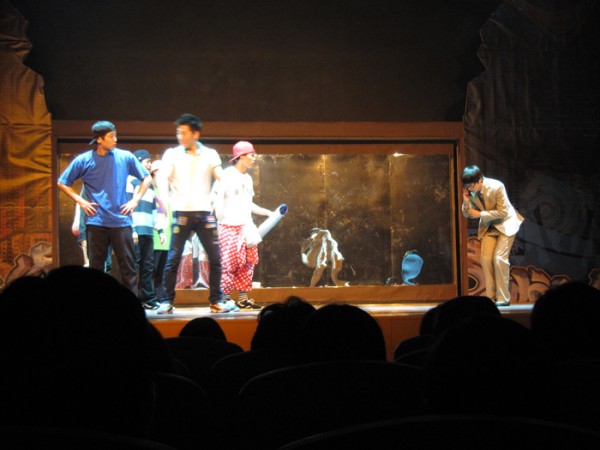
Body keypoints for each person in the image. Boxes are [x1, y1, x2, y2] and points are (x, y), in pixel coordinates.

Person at [58, 121, 152, 294]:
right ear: (99, 139)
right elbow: (63, 182)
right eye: (111, 136)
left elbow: (147, 178)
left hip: (121, 222)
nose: (115, 139)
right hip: (96, 222)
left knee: (129, 269)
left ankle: (130, 305)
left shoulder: (125, 157)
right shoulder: (84, 160)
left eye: (115, 135)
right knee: (96, 270)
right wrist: (81, 201)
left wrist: (135, 200)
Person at [156, 113, 233, 314]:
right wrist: (164, 206)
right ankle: (166, 301)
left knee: (215, 258)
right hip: (181, 212)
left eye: (184, 132)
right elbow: (162, 179)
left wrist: (218, 196)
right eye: (178, 132)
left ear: (195, 134)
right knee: (173, 258)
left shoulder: (209, 154)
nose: (180, 136)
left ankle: (216, 300)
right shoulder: (172, 154)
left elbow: (220, 177)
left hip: (205, 213)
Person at [212, 141, 273, 310]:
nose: (254, 158)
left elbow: (248, 204)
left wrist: (267, 212)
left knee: (248, 263)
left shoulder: (248, 178)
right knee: (229, 264)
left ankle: (242, 299)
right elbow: (215, 199)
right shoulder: (226, 175)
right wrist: (216, 220)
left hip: (246, 226)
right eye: (251, 155)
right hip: (229, 225)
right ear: (241, 156)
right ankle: (223, 298)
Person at [461, 165, 524, 306]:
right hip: (489, 226)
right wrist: (466, 200)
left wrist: (481, 214)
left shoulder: (497, 186)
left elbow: (503, 212)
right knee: (486, 259)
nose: (469, 189)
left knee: (499, 258)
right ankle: (491, 297)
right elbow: (466, 214)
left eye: (471, 185)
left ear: (480, 180)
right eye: (466, 186)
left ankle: (503, 298)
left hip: (506, 224)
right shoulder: (470, 192)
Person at [127, 149, 166, 310]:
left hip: (148, 231)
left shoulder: (149, 184)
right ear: (138, 161)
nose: (149, 164)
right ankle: (132, 300)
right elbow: (126, 205)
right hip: (135, 231)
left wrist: (160, 231)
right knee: (133, 266)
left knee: (148, 267)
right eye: (147, 161)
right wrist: (132, 229)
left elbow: (154, 210)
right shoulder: (131, 180)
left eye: (150, 161)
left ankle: (148, 299)